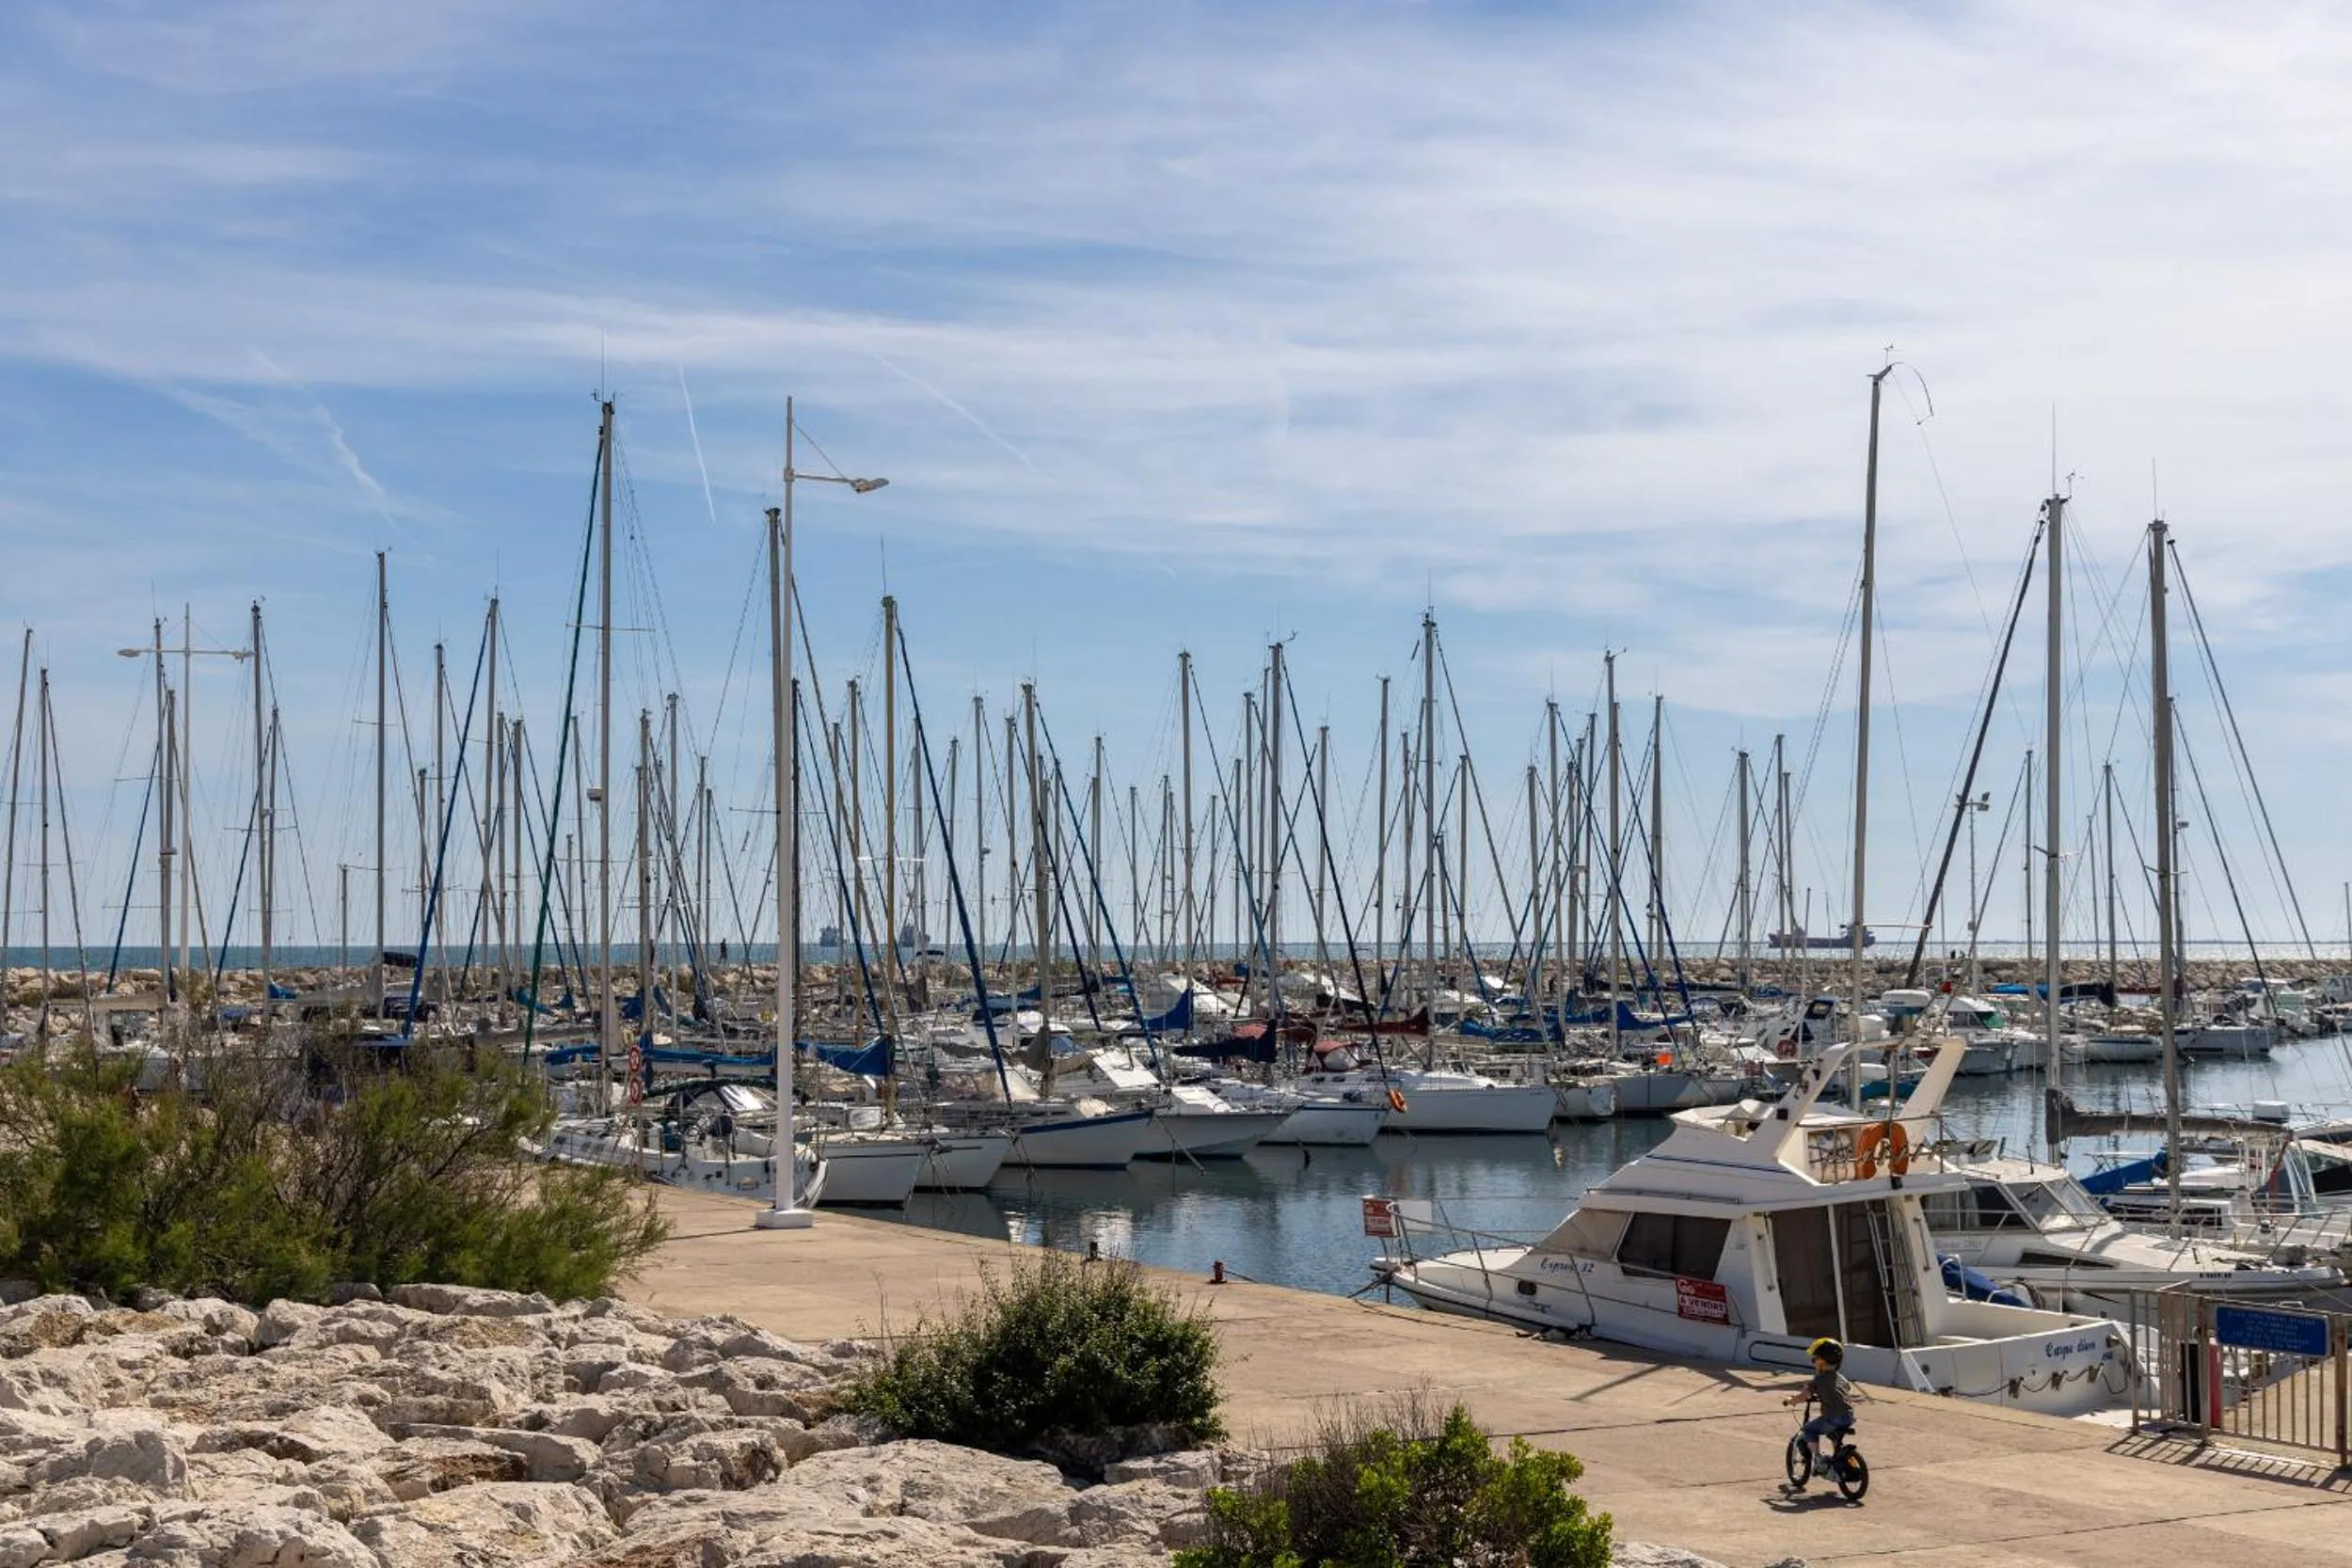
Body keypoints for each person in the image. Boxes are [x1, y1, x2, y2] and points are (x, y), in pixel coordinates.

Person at [1783, 1337, 1855, 1476]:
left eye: (1814, 1359)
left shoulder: (1819, 1380)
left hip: (1833, 1418)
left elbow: (1804, 1396)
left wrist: (1792, 1400)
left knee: (1808, 1430)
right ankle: (1838, 1457)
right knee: (1833, 1433)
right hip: (1848, 1417)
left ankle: (1818, 1459)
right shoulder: (1841, 1378)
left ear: (1822, 1361)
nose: (1813, 1362)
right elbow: (1845, 1389)